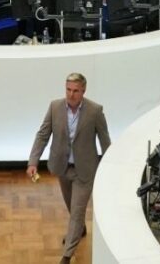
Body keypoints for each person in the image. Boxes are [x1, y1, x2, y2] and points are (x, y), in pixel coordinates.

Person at [27, 73, 112, 264]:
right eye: (68, 89)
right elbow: (42, 135)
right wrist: (33, 162)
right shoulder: (54, 107)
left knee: (77, 210)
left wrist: (109, 168)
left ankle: (67, 255)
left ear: (83, 91)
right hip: (62, 167)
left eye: (75, 91)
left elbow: (105, 140)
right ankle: (80, 229)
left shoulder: (95, 111)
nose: (71, 94)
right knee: (71, 206)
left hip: (85, 170)